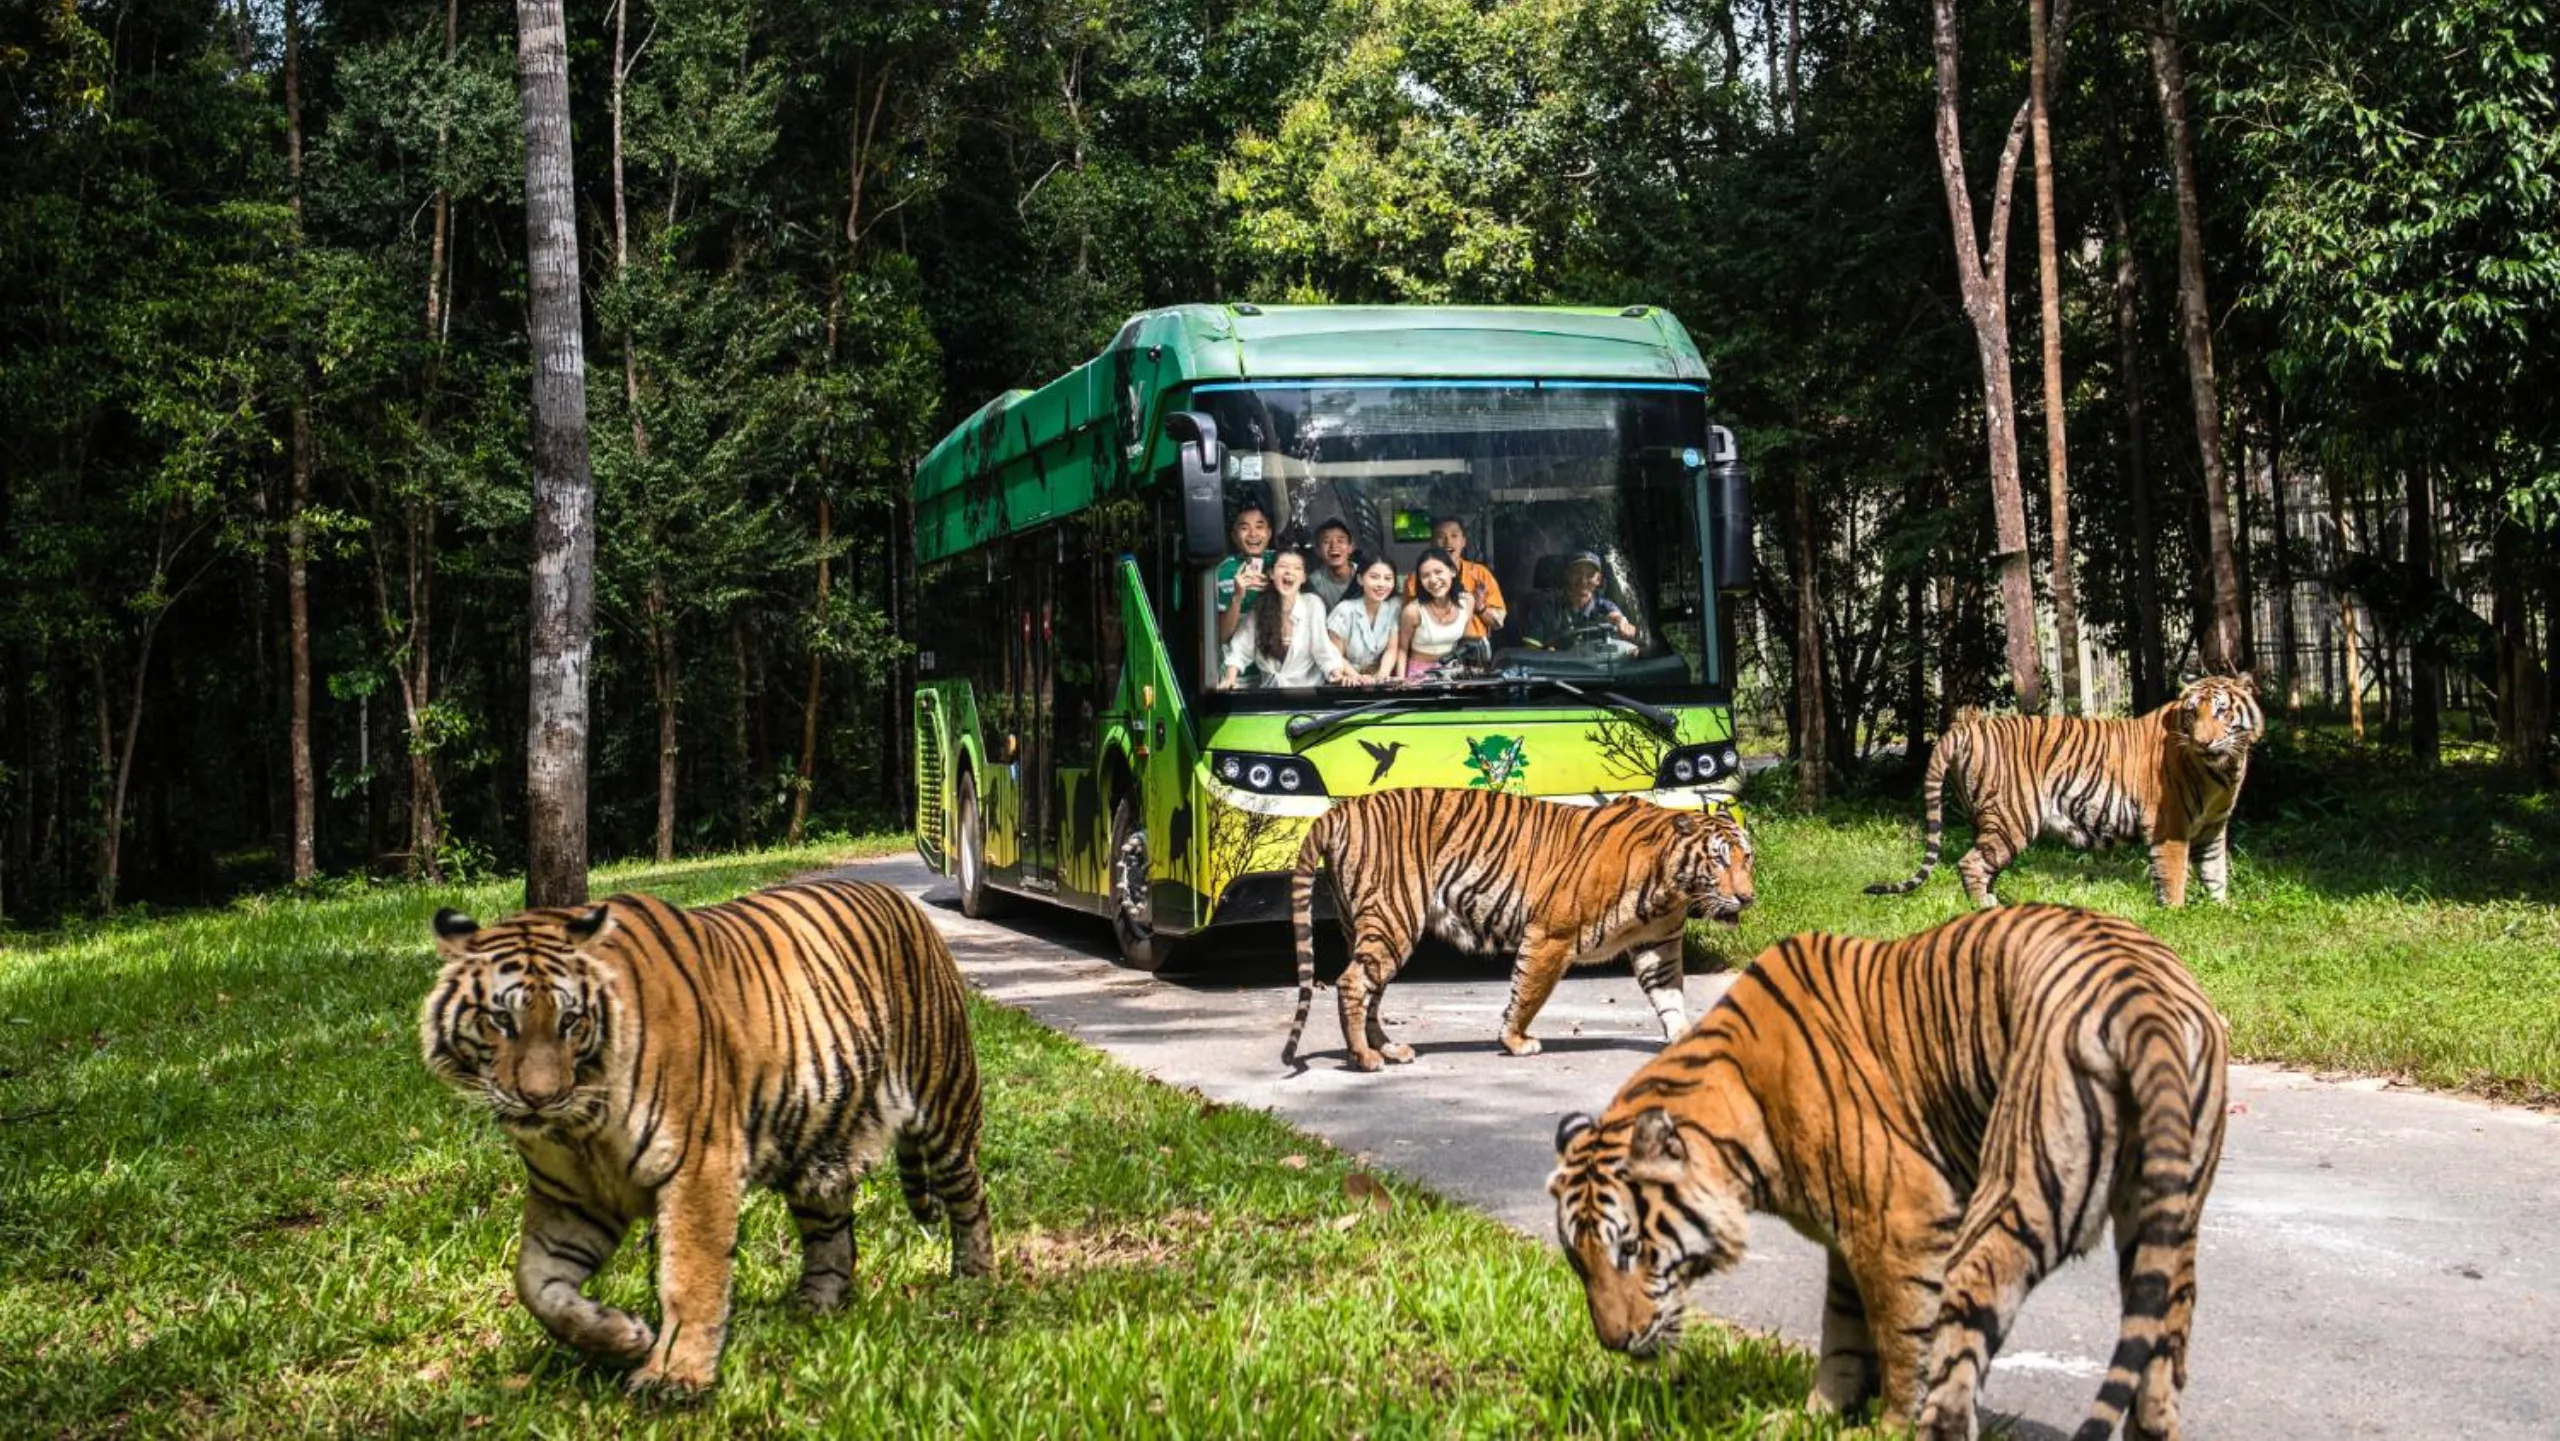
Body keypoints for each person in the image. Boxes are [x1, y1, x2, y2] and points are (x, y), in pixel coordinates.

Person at [1220, 550, 1356, 689]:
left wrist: (1337, 675)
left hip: (1308, 695)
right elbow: (1239, 650)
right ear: (1272, 574)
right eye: (1283, 566)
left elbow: (1323, 649)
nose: (1289, 572)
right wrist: (1230, 679)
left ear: (1303, 577)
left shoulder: (1313, 604)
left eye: (1297, 568)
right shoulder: (1259, 607)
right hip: (1270, 697)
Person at [1404, 515, 1507, 638]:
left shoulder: (1480, 574)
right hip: (1434, 650)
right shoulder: (1416, 579)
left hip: (1473, 650)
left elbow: (1498, 624)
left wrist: (1480, 607)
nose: (1448, 542)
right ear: (1432, 542)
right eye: (1441, 537)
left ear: (1463, 541)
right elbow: (1409, 625)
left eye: (1454, 536)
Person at [1525, 551, 1639, 651]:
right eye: (1577, 573)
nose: (1583, 580)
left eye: (1590, 575)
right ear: (1568, 575)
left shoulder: (1604, 606)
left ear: (1598, 580)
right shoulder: (1547, 606)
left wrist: (1621, 623)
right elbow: (1531, 652)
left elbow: (1615, 616)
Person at [1398, 547, 1477, 679]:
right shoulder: (1413, 611)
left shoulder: (1467, 601)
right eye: (1425, 576)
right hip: (1419, 675)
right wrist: (1401, 682)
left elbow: (1465, 643)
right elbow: (1402, 649)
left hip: (1454, 673)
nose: (1433, 580)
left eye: (1438, 572)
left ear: (1452, 571)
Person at [1326, 555, 1406, 684]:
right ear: (1360, 579)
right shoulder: (1344, 610)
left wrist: (1381, 676)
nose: (1381, 584)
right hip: (1346, 680)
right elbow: (1334, 654)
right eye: (1374, 577)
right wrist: (1356, 677)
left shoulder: (1394, 606)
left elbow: (1392, 649)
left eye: (1388, 579)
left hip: (1377, 681)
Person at [1214, 499, 1275, 644]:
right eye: (1244, 528)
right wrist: (1237, 597)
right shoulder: (1222, 572)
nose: (1253, 534)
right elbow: (1221, 637)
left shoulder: (1281, 562)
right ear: (1234, 536)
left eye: (1259, 527)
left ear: (1269, 533)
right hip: (1238, 661)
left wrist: (1274, 585)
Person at [1305, 519, 1360, 609]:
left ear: (1351, 547)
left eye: (1340, 541)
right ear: (1317, 550)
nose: (1334, 546)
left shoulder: (1364, 575)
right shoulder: (1313, 584)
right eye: (1326, 542)